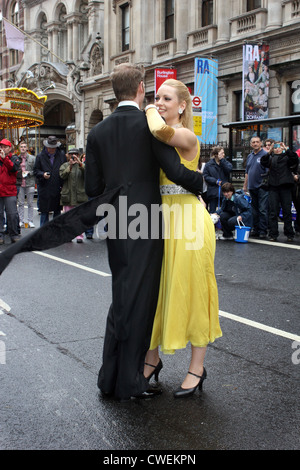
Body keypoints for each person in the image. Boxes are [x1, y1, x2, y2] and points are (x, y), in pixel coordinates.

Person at [84, 64, 204, 401]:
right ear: (140, 87)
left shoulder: (97, 133)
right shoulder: (150, 128)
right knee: (142, 302)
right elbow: (174, 170)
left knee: (121, 299)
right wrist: (202, 183)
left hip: (117, 221)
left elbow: (93, 187)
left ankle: (109, 378)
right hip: (149, 220)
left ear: (113, 90)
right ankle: (131, 380)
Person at [144, 79, 222, 398]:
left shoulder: (186, 136)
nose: (159, 102)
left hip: (189, 222)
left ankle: (197, 369)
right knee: (159, 293)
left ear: (182, 106)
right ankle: (151, 361)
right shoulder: (159, 137)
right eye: (156, 98)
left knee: (193, 293)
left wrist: (146, 107)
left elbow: (160, 131)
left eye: (166, 98)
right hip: (164, 219)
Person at [261, 141, 298, 242]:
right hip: (273, 187)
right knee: (273, 212)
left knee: (287, 211)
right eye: (276, 147)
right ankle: (273, 234)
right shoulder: (271, 158)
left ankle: (289, 233)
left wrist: (286, 149)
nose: (277, 149)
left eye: (279, 147)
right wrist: (269, 152)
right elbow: (263, 162)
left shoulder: (287, 157)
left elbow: (295, 159)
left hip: (285, 187)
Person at [33, 136, 66, 226]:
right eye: (50, 147)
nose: (52, 149)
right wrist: (42, 174)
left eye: (54, 148)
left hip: (57, 188)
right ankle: (43, 234)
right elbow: (35, 171)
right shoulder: (40, 156)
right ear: (47, 146)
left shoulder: (61, 155)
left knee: (57, 212)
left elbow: (64, 169)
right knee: (44, 212)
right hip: (45, 188)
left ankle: (56, 233)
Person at [59, 149, 88, 243]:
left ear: (79, 155)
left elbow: (88, 173)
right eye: (71, 154)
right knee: (68, 217)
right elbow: (62, 176)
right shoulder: (64, 165)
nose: (73, 156)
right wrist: (70, 166)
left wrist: (80, 163)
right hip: (68, 195)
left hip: (80, 195)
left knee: (80, 217)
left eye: (75, 154)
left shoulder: (82, 165)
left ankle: (80, 236)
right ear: (68, 155)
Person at [243, 136, 268, 239]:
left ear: (261, 143)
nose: (255, 144)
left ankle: (263, 230)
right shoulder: (250, 156)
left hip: (262, 186)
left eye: (257, 142)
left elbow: (268, 171)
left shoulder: (265, 155)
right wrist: (245, 186)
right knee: (254, 210)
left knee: (262, 209)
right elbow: (247, 172)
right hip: (252, 187)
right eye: (253, 142)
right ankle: (256, 229)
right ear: (251, 144)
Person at [0, 139, 20, 244]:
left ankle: (13, 234)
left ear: (10, 148)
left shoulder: (14, 158)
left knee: (12, 214)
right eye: (1, 147)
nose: (2, 149)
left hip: (9, 190)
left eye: (5, 147)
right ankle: (0, 235)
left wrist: (5, 159)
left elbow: (13, 169)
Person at [203, 146, 232, 213]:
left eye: (224, 153)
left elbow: (229, 169)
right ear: (216, 154)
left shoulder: (225, 163)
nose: (223, 155)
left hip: (224, 191)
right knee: (213, 212)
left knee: (224, 211)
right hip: (213, 191)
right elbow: (206, 176)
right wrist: (215, 181)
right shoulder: (209, 165)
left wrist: (222, 160)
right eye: (221, 153)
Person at [16, 142, 36, 228]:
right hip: (20, 183)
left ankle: (30, 221)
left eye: (24, 147)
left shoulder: (32, 158)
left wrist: (29, 173)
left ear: (26, 148)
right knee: (20, 203)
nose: (23, 148)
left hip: (30, 182)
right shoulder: (16, 158)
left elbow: (36, 170)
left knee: (30, 203)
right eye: (21, 147)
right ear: (19, 148)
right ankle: (21, 220)